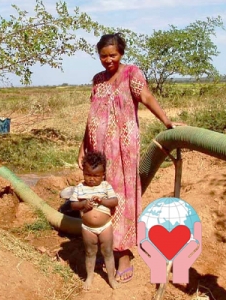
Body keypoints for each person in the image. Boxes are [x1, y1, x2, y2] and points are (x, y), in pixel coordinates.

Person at [77, 33, 177, 283]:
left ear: (121, 54)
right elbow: (93, 115)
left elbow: (146, 98)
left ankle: (124, 254)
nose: (108, 60)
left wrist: (166, 122)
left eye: (113, 55)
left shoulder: (132, 73)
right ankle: (105, 245)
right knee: (98, 195)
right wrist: (82, 147)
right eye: (103, 55)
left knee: (120, 198)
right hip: (97, 151)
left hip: (122, 150)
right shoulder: (98, 80)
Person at [70, 152, 119, 290]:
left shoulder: (105, 186)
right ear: (83, 172)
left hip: (105, 226)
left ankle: (111, 278)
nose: (91, 179)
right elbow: (73, 205)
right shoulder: (80, 188)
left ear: (103, 174)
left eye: (96, 176)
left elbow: (114, 201)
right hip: (87, 228)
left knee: (108, 251)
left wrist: (102, 200)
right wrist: (84, 204)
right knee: (90, 252)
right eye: (88, 175)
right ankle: (89, 276)